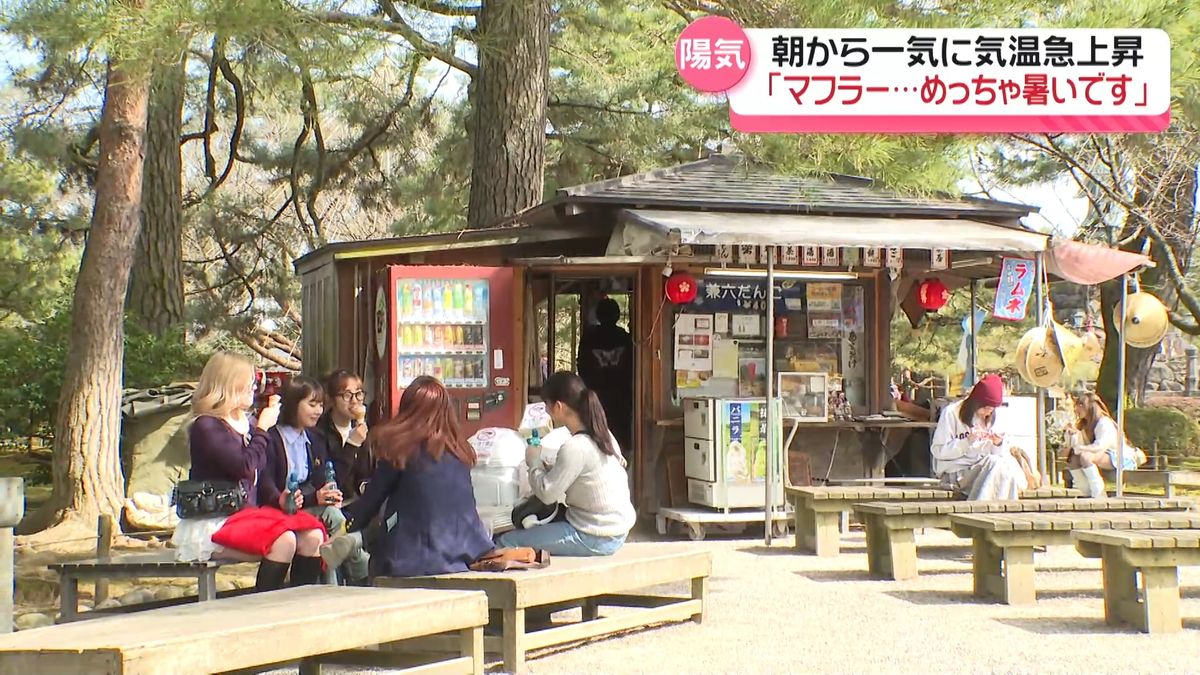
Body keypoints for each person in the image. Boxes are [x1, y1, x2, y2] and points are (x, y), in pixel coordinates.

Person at [170, 352, 326, 592]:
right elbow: (243, 465)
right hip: (217, 518)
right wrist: (263, 429)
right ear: (231, 385)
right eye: (250, 383)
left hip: (247, 513)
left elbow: (259, 476)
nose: (255, 388)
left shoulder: (246, 422)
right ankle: (263, 608)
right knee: (283, 540)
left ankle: (299, 602)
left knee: (312, 534)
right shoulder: (207, 425)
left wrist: (279, 498)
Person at [341, 377, 495, 577]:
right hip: (461, 556)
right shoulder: (461, 452)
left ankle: (357, 542)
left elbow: (371, 501)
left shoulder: (400, 450)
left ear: (407, 410)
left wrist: (346, 526)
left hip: (408, 561)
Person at [497, 371, 636, 556]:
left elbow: (547, 495)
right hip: (616, 529)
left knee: (507, 541)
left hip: (596, 536)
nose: (545, 410)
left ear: (558, 407)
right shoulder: (603, 434)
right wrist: (552, 468)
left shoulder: (575, 447)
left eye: (546, 404)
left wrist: (534, 462)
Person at [260, 376, 370, 584]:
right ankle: (359, 573)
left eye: (320, 404)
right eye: (312, 404)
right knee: (335, 520)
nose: (318, 411)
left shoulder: (313, 437)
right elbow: (266, 487)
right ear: (293, 405)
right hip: (278, 509)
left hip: (307, 507)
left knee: (319, 534)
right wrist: (305, 499)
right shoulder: (272, 438)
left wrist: (328, 492)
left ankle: (312, 592)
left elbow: (329, 476)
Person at [930, 374, 1041, 501]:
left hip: (985, 468)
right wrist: (967, 441)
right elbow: (938, 452)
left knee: (1003, 468)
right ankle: (983, 510)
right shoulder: (951, 413)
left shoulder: (993, 417)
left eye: (992, 409)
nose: (988, 412)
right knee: (996, 465)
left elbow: (998, 454)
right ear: (975, 402)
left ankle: (989, 511)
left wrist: (997, 443)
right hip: (957, 472)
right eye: (985, 408)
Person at [577, 297, 634, 458]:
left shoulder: (589, 338)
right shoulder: (624, 337)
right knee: (621, 431)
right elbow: (633, 365)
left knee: (596, 429)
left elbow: (582, 365)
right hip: (622, 394)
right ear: (617, 315)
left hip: (596, 394)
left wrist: (586, 388)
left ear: (598, 315)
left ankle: (597, 458)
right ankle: (623, 460)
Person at [1063, 392, 1148, 498]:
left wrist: (1080, 448)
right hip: (1105, 457)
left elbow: (1100, 446)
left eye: (1080, 405)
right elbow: (1075, 447)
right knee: (1073, 459)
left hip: (1121, 458)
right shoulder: (1084, 425)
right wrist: (1071, 434)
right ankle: (1086, 491)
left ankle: (1098, 491)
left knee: (1086, 456)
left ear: (1088, 407)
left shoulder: (1104, 423)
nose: (1076, 409)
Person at [315, 369, 373, 501]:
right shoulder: (319, 431)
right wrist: (352, 444)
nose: (354, 401)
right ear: (331, 399)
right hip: (332, 505)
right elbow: (331, 481)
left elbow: (364, 474)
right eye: (347, 395)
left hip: (357, 503)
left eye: (358, 394)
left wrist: (366, 487)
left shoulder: (361, 428)